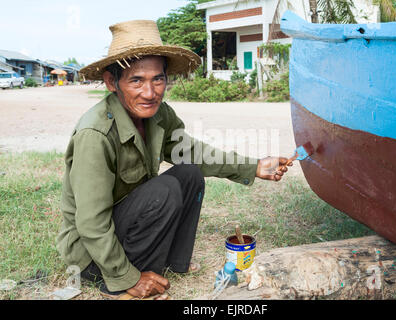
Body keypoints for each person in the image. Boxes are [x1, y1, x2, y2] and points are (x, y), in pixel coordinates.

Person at [56, 19, 292, 299]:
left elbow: (193, 152)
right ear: (111, 82)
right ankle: (117, 279)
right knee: (163, 191)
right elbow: (91, 223)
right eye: (136, 80)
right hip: (92, 254)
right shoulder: (95, 133)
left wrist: (253, 167)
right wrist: (126, 278)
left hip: (126, 223)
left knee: (189, 173)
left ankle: (172, 262)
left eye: (158, 79)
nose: (150, 92)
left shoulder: (159, 114)